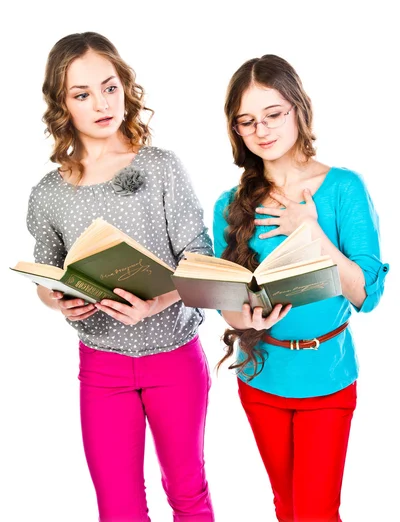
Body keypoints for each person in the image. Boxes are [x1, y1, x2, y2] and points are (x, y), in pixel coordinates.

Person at [26, 32, 214, 522]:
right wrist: (58, 300)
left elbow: (201, 259)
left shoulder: (161, 168)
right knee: (118, 509)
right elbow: (47, 275)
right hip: (102, 367)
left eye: (109, 87)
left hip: (174, 356)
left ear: (125, 88)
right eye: (82, 94)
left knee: (188, 494)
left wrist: (156, 302)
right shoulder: (49, 194)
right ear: (62, 104)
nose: (101, 103)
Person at [213, 54, 389, 522]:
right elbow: (227, 302)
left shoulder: (342, 187)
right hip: (261, 373)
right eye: (248, 121)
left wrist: (311, 233)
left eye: (274, 115)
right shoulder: (230, 204)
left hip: (327, 375)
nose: (263, 130)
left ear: (298, 109)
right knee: (287, 507)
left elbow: (367, 296)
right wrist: (242, 317)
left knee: (316, 511)